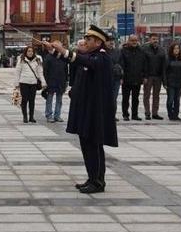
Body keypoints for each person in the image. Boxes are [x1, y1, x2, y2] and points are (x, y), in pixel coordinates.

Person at [45, 25, 118, 194]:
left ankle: (98, 182)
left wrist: (63, 50)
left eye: (89, 39)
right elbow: (76, 60)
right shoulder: (92, 56)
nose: (85, 42)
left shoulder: (102, 57)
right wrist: (53, 51)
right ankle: (92, 178)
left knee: (94, 146)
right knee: (87, 145)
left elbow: (82, 60)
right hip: (87, 109)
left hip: (95, 111)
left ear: (98, 42)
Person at [13, 45, 46, 123]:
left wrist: (43, 82)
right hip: (24, 82)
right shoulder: (21, 60)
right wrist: (16, 83)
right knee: (24, 100)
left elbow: (40, 72)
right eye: (29, 51)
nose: (30, 53)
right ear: (26, 52)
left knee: (32, 100)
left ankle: (31, 117)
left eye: (32, 51)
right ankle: (25, 116)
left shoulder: (37, 60)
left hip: (33, 83)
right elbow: (17, 72)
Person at [120, 34, 147, 121]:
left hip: (137, 78)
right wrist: (121, 77)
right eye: (132, 40)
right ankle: (125, 114)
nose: (134, 42)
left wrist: (144, 76)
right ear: (128, 41)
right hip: (126, 78)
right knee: (125, 98)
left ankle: (135, 115)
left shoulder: (141, 51)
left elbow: (144, 64)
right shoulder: (123, 51)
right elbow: (121, 65)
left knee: (136, 99)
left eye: (135, 40)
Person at [43, 41, 69, 123]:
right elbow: (45, 70)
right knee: (49, 99)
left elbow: (66, 70)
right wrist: (45, 81)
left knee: (59, 100)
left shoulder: (63, 57)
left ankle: (57, 115)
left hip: (61, 81)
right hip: (51, 81)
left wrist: (66, 81)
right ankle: (49, 115)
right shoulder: (49, 57)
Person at [162, 42, 181, 121]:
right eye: (175, 48)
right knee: (170, 99)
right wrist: (165, 82)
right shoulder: (167, 59)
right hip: (170, 83)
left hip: (180, 83)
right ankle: (170, 114)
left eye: (178, 48)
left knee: (177, 99)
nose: (176, 50)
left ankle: (176, 114)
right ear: (172, 50)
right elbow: (164, 71)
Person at [142, 34, 164, 120]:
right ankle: (147, 113)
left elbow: (163, 63)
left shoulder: (161, 50)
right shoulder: (145, 49)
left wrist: (163, 77)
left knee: (156, 96)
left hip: (158, 76)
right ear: (150, 40)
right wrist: (144, 76)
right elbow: (143, 63)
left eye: (156, 39)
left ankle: (155, 113)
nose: (155, 41)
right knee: (146, 95)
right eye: (153, 39)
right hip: (148, 76)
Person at [106, 39, 123, 121]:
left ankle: (112, 115)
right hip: (105, 78)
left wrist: (122, 77)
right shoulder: (102, 52)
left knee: (114, 98)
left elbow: (122, 64)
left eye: (112, 41)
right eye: (109, 41)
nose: (111, 42)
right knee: (105, 98)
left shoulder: (118, 51)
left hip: (116, 78)